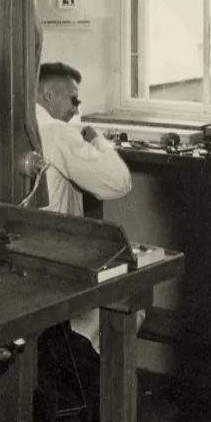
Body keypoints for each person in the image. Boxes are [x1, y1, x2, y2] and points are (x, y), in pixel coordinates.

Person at [34, 61, 133, 355]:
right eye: (73, 99)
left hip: (25, 265)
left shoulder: (16, 128)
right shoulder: (59, 133)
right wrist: (95, 138)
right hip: (58, 273)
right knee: (131, 303)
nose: (77, 110)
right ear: (49, 93)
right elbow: (120, 183)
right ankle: (99, 389)